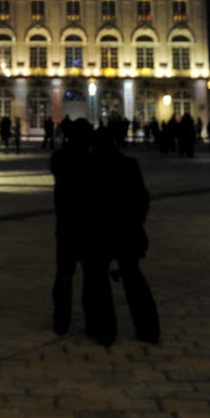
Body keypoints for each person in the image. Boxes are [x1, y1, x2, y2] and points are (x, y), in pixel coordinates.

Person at [92, 123, 159, 343]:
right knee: (133, 279)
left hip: (102, 231)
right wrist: (136, 223)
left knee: (101, 284)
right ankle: (148, 329)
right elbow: (142, 199)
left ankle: (106, 330)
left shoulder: (92, 166)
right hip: (128, 230)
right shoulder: (130, 164)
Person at [50, 119, 114, 344]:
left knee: (64, 275)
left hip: (67, 225)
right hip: (90, 227)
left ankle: (61, 320)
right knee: (91, 277)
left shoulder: (60, 159)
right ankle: (92, 323)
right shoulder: (95, 161)